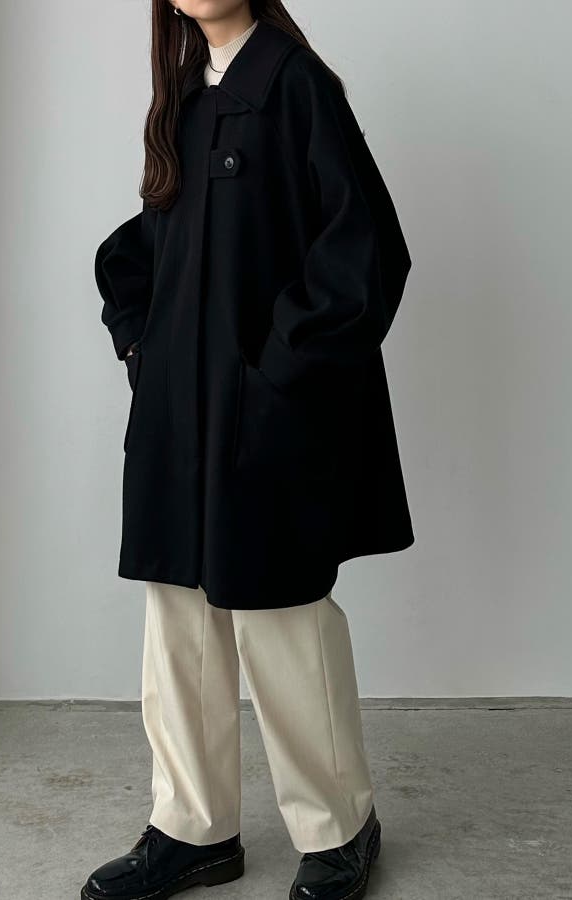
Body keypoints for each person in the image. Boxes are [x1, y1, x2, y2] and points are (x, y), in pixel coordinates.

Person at [84, 2, 413, 898]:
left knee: (282, 616)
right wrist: (143, 344)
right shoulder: (187, 99)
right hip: (178, 413)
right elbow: (153, 243)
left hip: (267, 413)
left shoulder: (296, 86)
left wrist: (278, 376)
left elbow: (366, 249)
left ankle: (340, 825)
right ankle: (193, 829)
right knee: (179, 616)